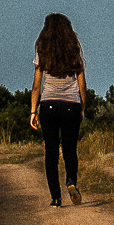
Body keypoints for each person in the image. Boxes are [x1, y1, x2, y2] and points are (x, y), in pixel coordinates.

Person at [28, 12, 87, 207]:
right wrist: (82, 107)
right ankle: (71, 181)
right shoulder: (74, 49)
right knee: (70, 150)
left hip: (48, 104)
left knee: (51, 152)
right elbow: (81, 83)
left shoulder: (42, 49)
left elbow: (37, 85)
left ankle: (55, 198)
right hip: (71, 104)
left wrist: (33, 111)